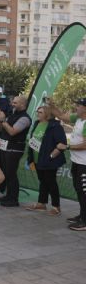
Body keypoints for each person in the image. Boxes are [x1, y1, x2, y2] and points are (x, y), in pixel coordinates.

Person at [50, 98, 86, 230]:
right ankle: (82, 215)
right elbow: (61, 116)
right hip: (78, 162)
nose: (76, 107)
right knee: (79, 189)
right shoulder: (78, 118)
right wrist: (51, 105)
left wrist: (67, 147)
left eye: (79, 105)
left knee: (84, 191)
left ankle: (84, 221)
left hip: (84, 164)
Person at [24, 105, 66, 216]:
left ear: (47, 114)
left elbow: (61, 144)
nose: (37, 113)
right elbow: (33, 140)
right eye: (37, 111)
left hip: (49, 161)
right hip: (38, 159)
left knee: (51, 182)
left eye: (40, 112)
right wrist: (31, 157)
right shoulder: (37, 123)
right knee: (43, 181)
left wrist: (51, 157)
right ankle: (41, 203)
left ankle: (56, 206)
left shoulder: (55, 126)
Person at [0, 96, 32, 206]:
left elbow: (12, 132)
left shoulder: (25, 118)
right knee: (6, 173)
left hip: (15, 149)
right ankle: (8, 196)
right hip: (5, 147)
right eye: (13, 102)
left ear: (23, 104)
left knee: (11, 174)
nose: (12, 104)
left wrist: (3, 121)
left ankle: (14, 199)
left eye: (15, 103)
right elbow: (2, 128)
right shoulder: (12, 114)